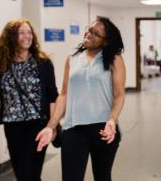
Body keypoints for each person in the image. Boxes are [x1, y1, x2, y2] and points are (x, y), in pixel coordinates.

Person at [36, 16, 126, 181]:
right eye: (89, 29)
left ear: (105, 41)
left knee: (102, 176)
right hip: (74, 128)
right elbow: (64, 95)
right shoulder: (72, 59)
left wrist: (112, 120)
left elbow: (119, 95)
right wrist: (51, 126)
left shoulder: (114, 59)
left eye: (96, 34)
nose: (89, 34)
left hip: (103, 128)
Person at [0, 18, 58, 181]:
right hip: (12, 126)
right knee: (21, 172)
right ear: (11, 37)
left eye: (29, 32)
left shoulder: (43, 63)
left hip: (37, 124)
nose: (27, 36)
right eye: (22, 32)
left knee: (28, 173)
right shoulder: (3, 64)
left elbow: (53, 95)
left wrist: (52, 126)